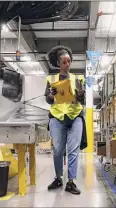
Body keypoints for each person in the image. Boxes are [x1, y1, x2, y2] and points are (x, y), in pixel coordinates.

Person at [44, 45, 86, 195]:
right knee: (58, 150)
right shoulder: (51, 79)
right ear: (58, 63)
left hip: (75, 116)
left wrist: (81, 94)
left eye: (69, 61)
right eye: (64, 62)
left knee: (73, 150)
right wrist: (50, 95)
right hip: (57, 117)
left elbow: (83, 99)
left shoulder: (78, 78)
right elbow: (48, 101)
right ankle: (58, 178)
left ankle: (71, 182)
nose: (67, 65)